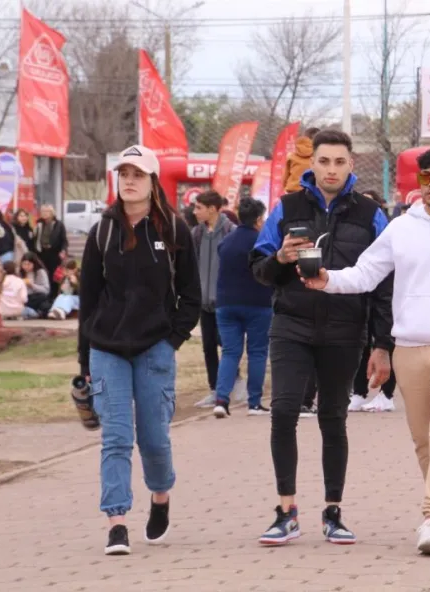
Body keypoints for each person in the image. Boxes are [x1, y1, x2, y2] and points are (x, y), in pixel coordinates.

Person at [301, 146, 430, 556]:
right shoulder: (401, 228)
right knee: (423, 441)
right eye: (425, 177)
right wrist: (328, 280)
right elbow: (366, 273)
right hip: (409, 348)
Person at [249, 129, 393, 546]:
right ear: (312, 165)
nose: (331, 169)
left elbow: (385, 283)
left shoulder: (370, 215)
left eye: (339, 162)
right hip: (291, 324)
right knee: (283, 412)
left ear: (351, 165)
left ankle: (333, 512)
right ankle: (286, 511)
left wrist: (382, 343)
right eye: (324, 161)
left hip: (344, 331)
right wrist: (279, 258)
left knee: (334, 418)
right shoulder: (287, 206)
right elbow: (258, 268)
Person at [78, 144, 201, 556]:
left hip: (154, 348)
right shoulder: (102, 231)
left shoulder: (174, 229)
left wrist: (171, 342)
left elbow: (191, 296)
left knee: (153, 439)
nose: (129, 180)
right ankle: (116, 523)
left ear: (152, 182)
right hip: (106, 349)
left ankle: (161, 495)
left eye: (138, 174)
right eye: (123, 173)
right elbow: (89, 301)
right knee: (115, 436)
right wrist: (85, 363)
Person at [211, 198, 274, 417]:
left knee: (230, 352)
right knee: (257, 352)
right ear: (258, 219)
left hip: (226, 303)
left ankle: (221, 400)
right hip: (258, 303)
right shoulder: (263, 242)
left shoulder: (226, 241)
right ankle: (254, 403)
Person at [349, 189, 398, 413]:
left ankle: (386, 394)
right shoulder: (356, 232)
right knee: (362, 344)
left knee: (385, 342)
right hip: (363, 290)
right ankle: (358, 392)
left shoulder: (387, 232)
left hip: (386, 292)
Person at [190, 191, 237, 409]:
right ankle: (214, 389)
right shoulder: (196, 233)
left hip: (225, 300)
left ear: (212, 208)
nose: (195, 211)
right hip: (204, 301)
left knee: (225, 343)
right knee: (208, 345)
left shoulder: (231, 232)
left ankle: (233, 383)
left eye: (198, 207)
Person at [34, 205, 69, 296]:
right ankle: (45, 294)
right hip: (41, 252)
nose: (45, 213)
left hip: (54, 253)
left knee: (54, 275)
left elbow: (64, 240)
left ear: (52, 213)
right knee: (43, 273)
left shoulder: (59, 224)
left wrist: (63, 250)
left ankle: (54, 294)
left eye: (47, 211)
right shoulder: (38, 224)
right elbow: (34, 238)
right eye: (43, 211)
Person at [283, 126, 319, 194]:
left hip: (291, 190)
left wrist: (286, 188)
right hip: (310, 191)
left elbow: (284, 177)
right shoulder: (318, 156)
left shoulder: (291, 156)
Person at [19, 252, 51, 318]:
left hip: (37, 297)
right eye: (24, 264)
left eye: (29, 264)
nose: (26, 267)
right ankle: (35, 312)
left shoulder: (40, 272)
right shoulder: (20, 273)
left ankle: (35, 312)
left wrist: (32, 285)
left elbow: (46, 290)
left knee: (43, 300)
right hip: (25, 298)